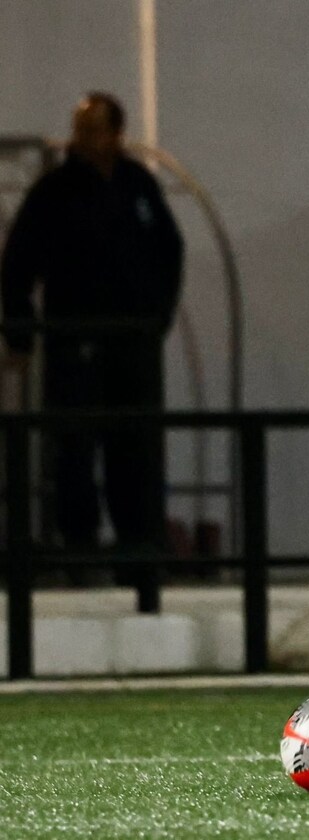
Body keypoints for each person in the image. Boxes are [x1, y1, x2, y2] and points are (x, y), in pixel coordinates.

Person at [1, 92, 183, 602]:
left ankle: (136, 554)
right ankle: (79, 553)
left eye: (92, 129)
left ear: (115, 134)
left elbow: (170, 251)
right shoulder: (55, 191)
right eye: (79, 129)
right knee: (75, 450)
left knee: (134, 449)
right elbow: (17, 266)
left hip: (132, 344)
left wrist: (157, 319)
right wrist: (21, 333)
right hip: (74, 341)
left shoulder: (137, 185)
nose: (82, 139)